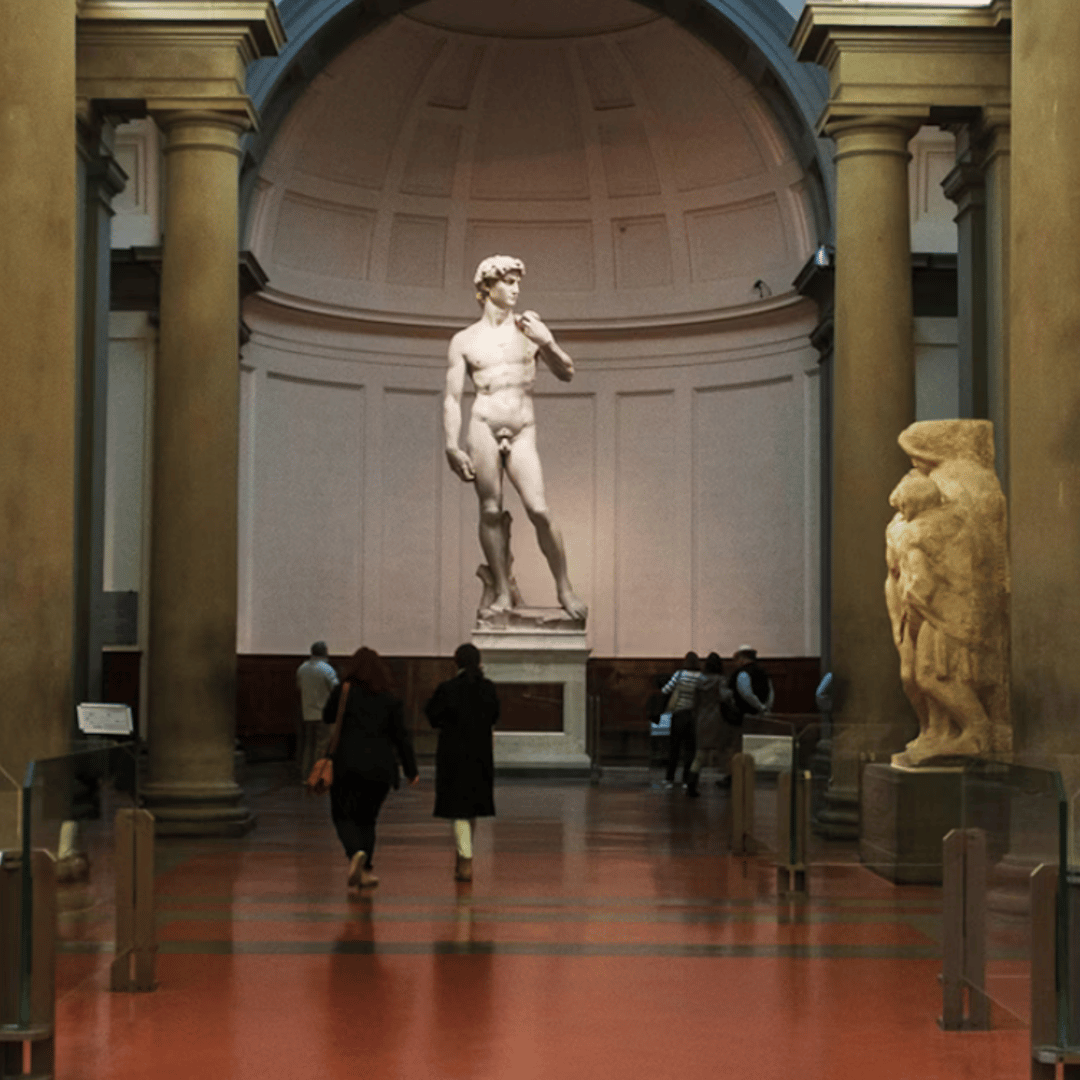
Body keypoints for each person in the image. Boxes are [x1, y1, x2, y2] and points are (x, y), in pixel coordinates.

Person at [443, 254, 587, 621]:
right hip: (483, 425)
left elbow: (567, 372)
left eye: (517, 282)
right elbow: (452, 398)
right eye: (507, 281)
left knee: (539, 509)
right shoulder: (464, 340)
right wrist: (451, 445)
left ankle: (564, 588)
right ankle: (503, 591)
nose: (515, 288)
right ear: (486, 287)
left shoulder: (530, 329)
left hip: (522, 428)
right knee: (490, 510)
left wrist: (548, 341)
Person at [321, 647, 418, 889]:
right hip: (380, 767)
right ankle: (364, 870)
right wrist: (411, 770)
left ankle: (355, 853)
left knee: (342, 814)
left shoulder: (344, 692)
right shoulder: (390, 698)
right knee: (368, 819)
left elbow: (327, 717)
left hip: (347, 763)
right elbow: (401, 737)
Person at [424, 643, 500, 883]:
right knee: (472, 809)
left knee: (458, 809)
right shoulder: (487, 688)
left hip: (453, 753)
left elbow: (432, 716)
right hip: (480, 753)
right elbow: (494, 716)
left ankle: (465, 857)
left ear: (456, 662)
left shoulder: (448, 688)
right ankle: (463, 854)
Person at [685, 652, 739, 795]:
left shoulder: (698, 681)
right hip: (717, 718)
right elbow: (724, 696)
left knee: (700, 752)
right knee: (723, 750)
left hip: (701, 717)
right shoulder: (720, 680)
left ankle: (692, 782)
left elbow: (693, 703)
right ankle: (729, 778)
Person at [296, 641, 339, 782]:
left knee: (308, 745)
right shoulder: (326, 669)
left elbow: (299, 687)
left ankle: (305, 775)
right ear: (325, 652)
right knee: (322, 746)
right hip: (323, 713)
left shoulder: (302, 668)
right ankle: (318, 775)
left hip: (307, 712)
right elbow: (336, 690)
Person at [662, 652, 704, 793]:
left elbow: (666, 689)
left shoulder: (680, 675)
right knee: (690, 749)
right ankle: (687, 780)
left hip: (678, 715)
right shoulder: (701, 677)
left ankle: (669, 778)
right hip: (693, 716)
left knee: (674, 748)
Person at [727, 645, 774, 722]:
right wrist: (766, 707)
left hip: (745, 715)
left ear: (741, 658)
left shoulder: (742, 673)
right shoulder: (762, 671)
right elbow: (771, 691)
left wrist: (760, 707)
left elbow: (746, 693)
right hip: (762, 713)